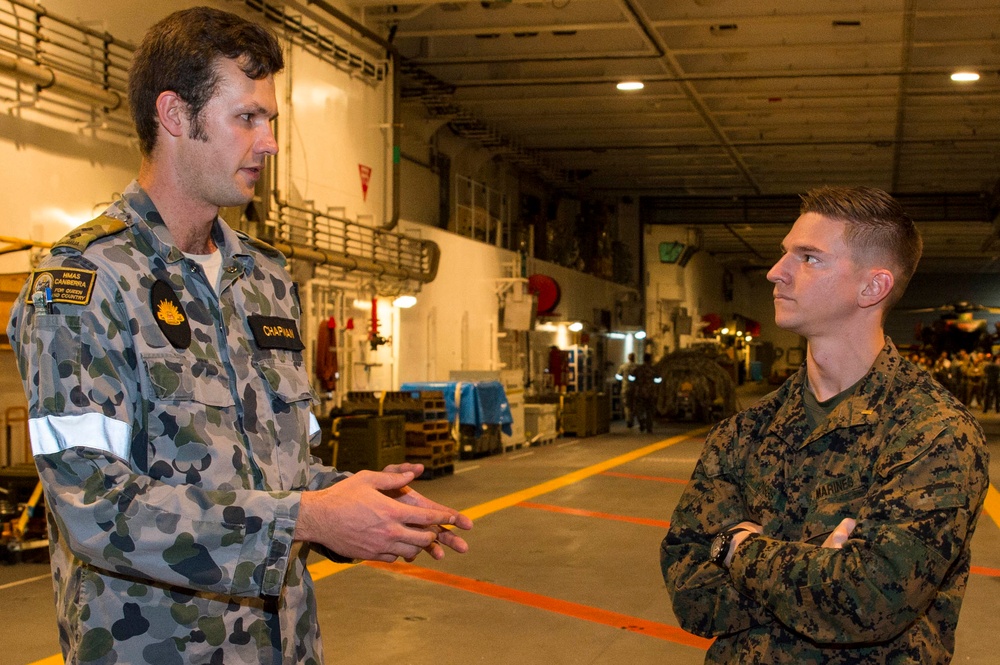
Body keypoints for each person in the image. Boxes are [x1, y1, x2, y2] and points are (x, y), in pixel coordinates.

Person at [7, 8, 471, 665]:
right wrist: (306, 518)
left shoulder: (267, 279)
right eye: (247, 117)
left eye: (271, 121)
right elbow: (96, 506)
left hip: (282, 646)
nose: (270, 142)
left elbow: (282, 467)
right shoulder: (83, 282)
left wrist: (358, 500)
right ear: (175, 115)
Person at [661, 186, 989, 663]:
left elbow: (868, 602)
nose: (777, 272)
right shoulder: (744, 430)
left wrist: (736, 549)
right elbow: (691, 594)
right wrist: (820, 567)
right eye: (784, 254)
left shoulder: (934, 432)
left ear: (872, 287)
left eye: (809, 258)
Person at [630, 355, 660, 433]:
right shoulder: (653, 369)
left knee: (639, 409)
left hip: (640, 392)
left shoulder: (638, 369)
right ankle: (649, 427)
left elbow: (631, 378)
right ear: (650, 359)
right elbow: (658, 379)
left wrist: (635, 384)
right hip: (651, 392)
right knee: (650, 410)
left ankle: (641, 421)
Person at [616, 352, 638, 427]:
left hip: (625, 387)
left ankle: (628, 420)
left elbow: (618, 376)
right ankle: (632, 419)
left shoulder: (623, 366)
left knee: (627, 405)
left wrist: (623, 379)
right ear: (634, 358)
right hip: (635, 389)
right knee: (633, 405)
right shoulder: (637, 367)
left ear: (628, 358)